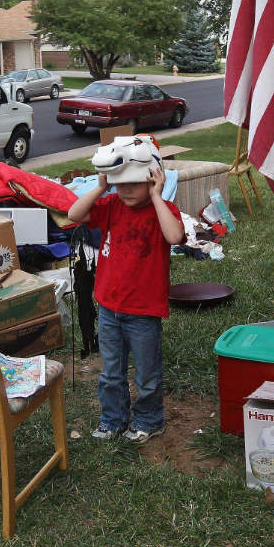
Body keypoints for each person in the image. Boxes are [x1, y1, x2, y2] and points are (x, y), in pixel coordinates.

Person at [67, 135, 185, 443]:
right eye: (122, 184)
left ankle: (148, 419)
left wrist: (158, 196)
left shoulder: (164, 210)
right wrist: (101, 187)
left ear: (153, 178)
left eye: (135, 183)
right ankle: (113, 420)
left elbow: (173, 237)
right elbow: (73, 216)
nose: (127, 190)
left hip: (143, 313)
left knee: (147, 375)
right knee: (110, 373)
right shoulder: (110, 204)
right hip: (108, 308)